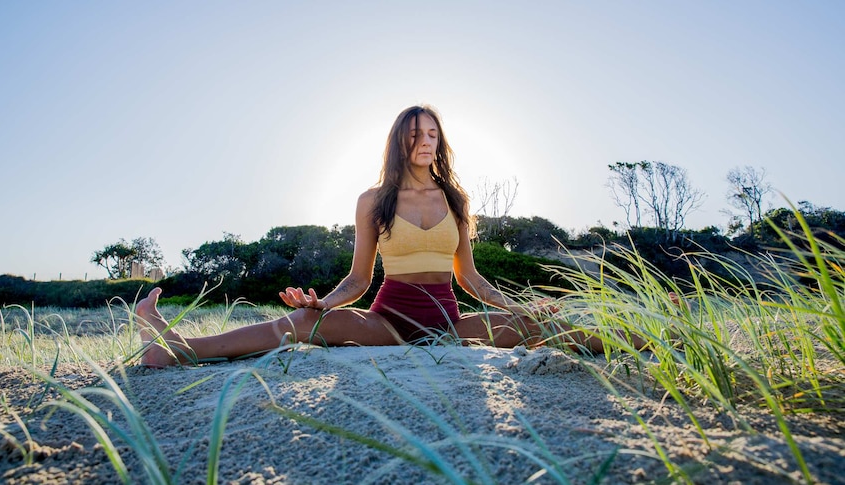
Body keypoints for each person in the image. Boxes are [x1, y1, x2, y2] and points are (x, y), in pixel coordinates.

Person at [136, 105, 647, 367]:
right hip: (389, 319)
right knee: (303, 324)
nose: (424, 140)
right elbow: (358, 279)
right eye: (414, 132)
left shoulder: (456, 200)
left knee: (541, 331)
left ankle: (653, 340)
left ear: (439, 141)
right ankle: (176, 348)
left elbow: (470, 277)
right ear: (398, 141)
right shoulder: (372, 200)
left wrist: (518, 306)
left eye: (432, 133)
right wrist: (322, 302)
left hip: (449, 321)